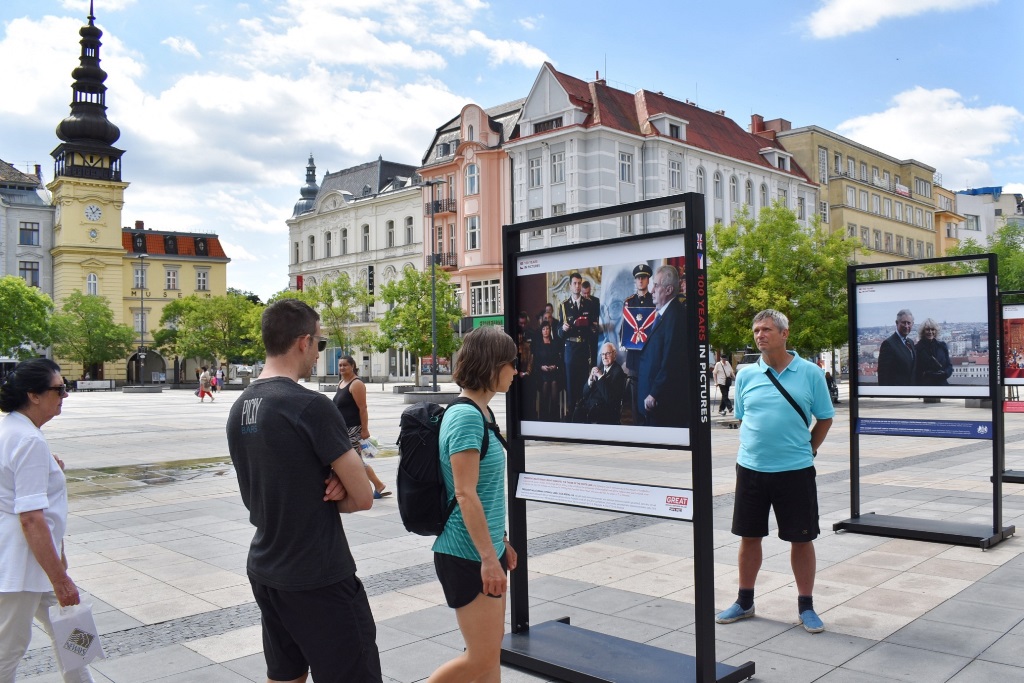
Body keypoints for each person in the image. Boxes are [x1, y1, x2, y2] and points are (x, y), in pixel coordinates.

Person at [227, 299, 381, 683]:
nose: (318, 353)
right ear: (302, 341)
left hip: (266, 567)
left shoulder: (240, 407)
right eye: (319, 343)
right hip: (318, 574)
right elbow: (363, 496)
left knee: (285, 675)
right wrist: (338, 484)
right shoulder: (309, 405)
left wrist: (327, 480)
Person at [716, 309, 835, 634]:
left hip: (795, 471)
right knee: (749, 536)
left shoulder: (810, 373)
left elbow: (825, 417)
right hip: (752, 470)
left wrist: (809, 449)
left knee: (802, 539)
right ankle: (745, 601)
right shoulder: (746, 375)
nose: (759, 335)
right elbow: (743, 415)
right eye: (756, 330)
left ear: (784, 333)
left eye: (766, 329)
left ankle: (806, 605)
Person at [429, 325, 519, 683]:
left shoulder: (482, 414)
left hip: (484, 548)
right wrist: (487, 557)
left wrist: (501, 542)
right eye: (511, 363)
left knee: (488, 657)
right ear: (492, 365)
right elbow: (465, 493)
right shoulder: (466, 416)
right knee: (480, 660)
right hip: (467, 553)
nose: (516, 371)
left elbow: (485, 490)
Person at [0, 359, 95, 683]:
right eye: (59, 389)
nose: (64, 395)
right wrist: (61, 579)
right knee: (8, 650)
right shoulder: (27, 440)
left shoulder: (14, 429)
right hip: (20, 564)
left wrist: (48, 469)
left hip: (36, 559)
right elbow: (30, 519)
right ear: (34, 395)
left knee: (73, 630)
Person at [637, 264, 688, 427]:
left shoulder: (675, 317)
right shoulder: (664, 314)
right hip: (653, 403)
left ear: (668, 290)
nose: (651, 290)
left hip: (661, 403)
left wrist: (654, 393)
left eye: (656, 285)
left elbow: (670, 360)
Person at [333, 355, 389, 499]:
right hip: (344, 429)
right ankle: (377, 485)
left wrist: (364, 429)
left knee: (353, 460)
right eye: (340, 365)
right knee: (354, 460)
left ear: (352, 366)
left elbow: (362, 408)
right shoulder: (341, 382)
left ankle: (365, 487)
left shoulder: (356, 384)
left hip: (353, 429)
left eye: (345, 365)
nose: (342, 368)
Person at [558, 272, 600, 421]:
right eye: (574, 283)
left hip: (583, 348)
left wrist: (594, 328)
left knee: (584, 383)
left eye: (579, 283)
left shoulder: (589, 304)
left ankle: (582, 414)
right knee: (571, 384)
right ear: (570, 286)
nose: (577, 286)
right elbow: (558, 333)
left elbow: (593, 329)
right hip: (570, 349)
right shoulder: (563, 306)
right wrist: (562, 329)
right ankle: (570, 415)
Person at [619, 263, 654, 424]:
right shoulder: (629, 302)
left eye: (644, 278)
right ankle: (637, 425)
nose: (641, 281)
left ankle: (649, 424)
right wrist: (623, 341)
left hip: (649, 356)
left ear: (648, 280)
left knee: (649, 394)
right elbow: (624, 327)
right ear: (635, 281)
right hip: (633, 356)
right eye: (638, 278)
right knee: (634, 396)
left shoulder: (654, 301)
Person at [572, 343, 627, 424]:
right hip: (590, 406)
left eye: (607, 354)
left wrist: (600, 377)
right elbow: (585, 393)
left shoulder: (618, 372)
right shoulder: (600, 368)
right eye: (603, 354)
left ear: (614, 355)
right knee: (577, 412)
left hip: (604, 411)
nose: (604, 357)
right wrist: (590, 380)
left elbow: (610, 399)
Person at [877, 309, 916, 385]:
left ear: (912, 324)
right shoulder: (888, 344)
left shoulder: (910, 342)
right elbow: (883, 375)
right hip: (897, 392)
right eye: (903, 323)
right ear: (897, 323)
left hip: (912, 391)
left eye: (909, 323)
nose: (906, 326)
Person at [534, 321, 562, 421]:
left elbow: (559, 360)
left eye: (547, 329)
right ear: (541, 331)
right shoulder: (538, 344)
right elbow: (535, 361)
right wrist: (542, 367)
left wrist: (555, 366)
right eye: (544, 329)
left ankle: (554, 414)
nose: (546, 331)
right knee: (546, 382)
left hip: (554, 371)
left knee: (554, 382)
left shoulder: (555, 343)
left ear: (550, 330)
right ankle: (544, 413)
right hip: (541, 372)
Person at [914, 318, 953, 386]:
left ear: (936, 331)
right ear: (923, 332)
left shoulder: (942, 346)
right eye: (927, 329)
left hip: (942, 384)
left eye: (932, 329)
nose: (930, 332)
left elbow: (949, 366)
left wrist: (945, 373)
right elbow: (916, 370)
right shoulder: (917, 348)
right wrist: (928, 374)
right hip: (926, 386)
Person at [515, 312, 536, 420]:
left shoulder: (531, 334)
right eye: (520, 324)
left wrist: (527, 372)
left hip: (529, 373)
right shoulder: (514, 337)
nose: (522, 326)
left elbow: (531, 358)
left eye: (524, 323)